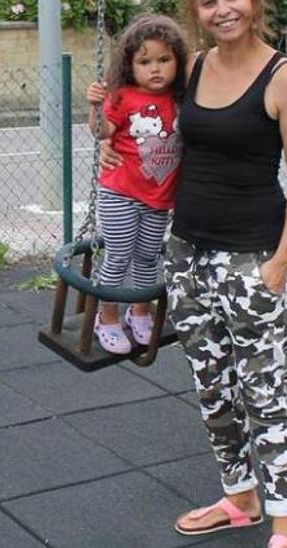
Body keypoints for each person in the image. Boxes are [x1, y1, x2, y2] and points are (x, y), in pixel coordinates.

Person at [102, 0, 287, 546]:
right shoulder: (192, 68)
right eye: (207, 2)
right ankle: (240, 496)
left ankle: (285, 522)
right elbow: (140, 119)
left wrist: (282, 261)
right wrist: (104, 139)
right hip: (187, 254)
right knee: (213, 388)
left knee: (264, 390)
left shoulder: (285, 79)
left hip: (252, 259)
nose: (223, 10)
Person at [83, 14, 189, 354]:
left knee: (146, 257)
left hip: (158, 197)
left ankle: (139, 312)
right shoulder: (123, 96)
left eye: (163, 60)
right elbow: (102, 133)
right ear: (131, 65)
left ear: (177, 61)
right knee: (119, 255)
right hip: (121, 192)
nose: (155, 69)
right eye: (145, 62)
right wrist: (96, 106)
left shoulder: (180, 98)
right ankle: (107, 317)